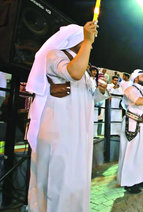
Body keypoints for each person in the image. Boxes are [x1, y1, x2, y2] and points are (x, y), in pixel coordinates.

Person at [26, 22, 108, 212]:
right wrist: (87, 42)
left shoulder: (82, 63)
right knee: (58, 179)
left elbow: (89, 95)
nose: (91, 44)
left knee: (75, 178)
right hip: (60, 131)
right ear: (75, 40)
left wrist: (101, 92)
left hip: (79, 132)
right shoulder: (54, 55)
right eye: (85, 40)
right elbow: (74, 73)